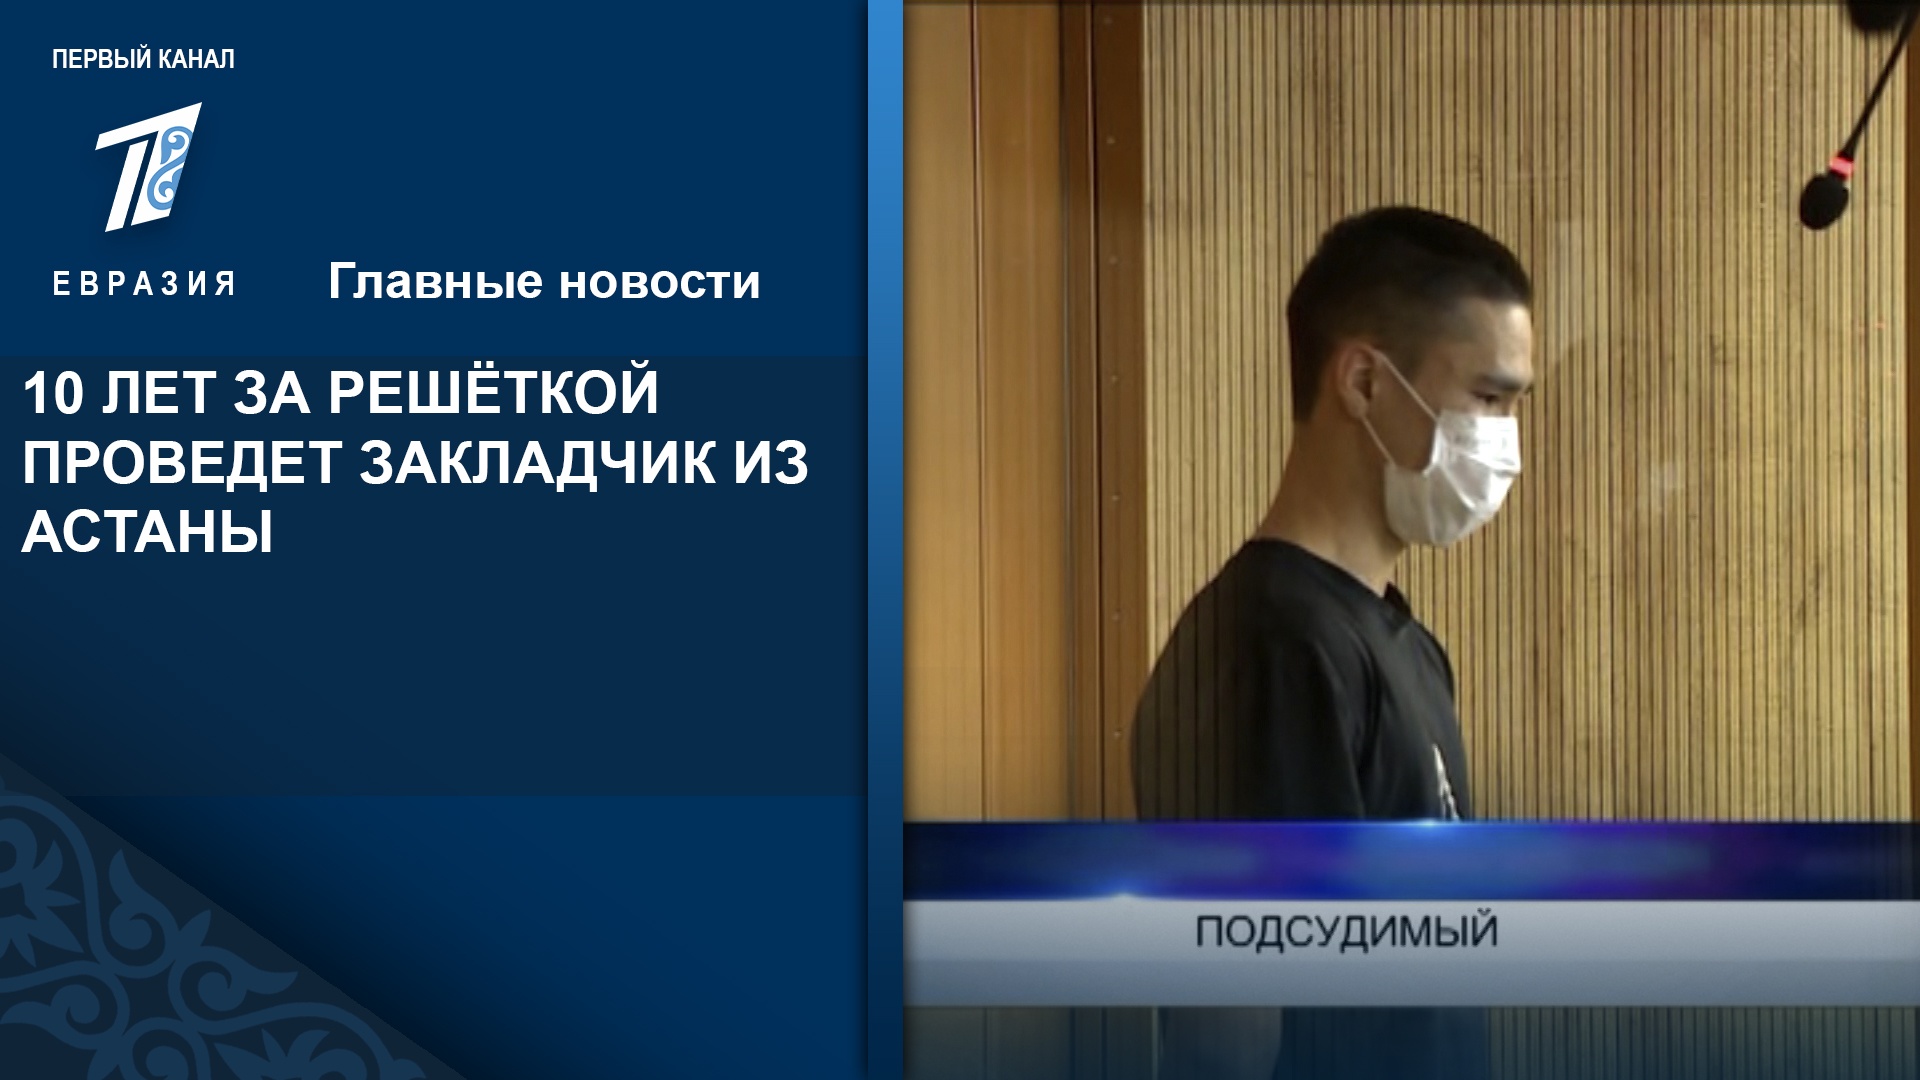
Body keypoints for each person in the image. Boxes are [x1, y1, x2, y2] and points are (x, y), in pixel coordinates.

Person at [1132, 205, 1535, 1079]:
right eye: (1487, 399)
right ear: (1362, 381)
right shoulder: (1269, 647)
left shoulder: (1405, 647)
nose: (1505, 445)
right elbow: (1229, 1028)